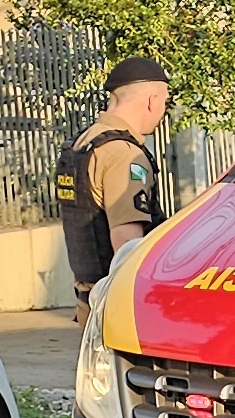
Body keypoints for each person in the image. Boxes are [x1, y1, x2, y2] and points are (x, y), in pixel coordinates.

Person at [52, 54, 171, 287]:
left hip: (89, 297)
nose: (163, 110)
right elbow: (127, 245)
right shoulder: (123, 155)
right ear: (151, 100)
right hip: (115, 303)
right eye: (164, 102)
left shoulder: (83, 143)